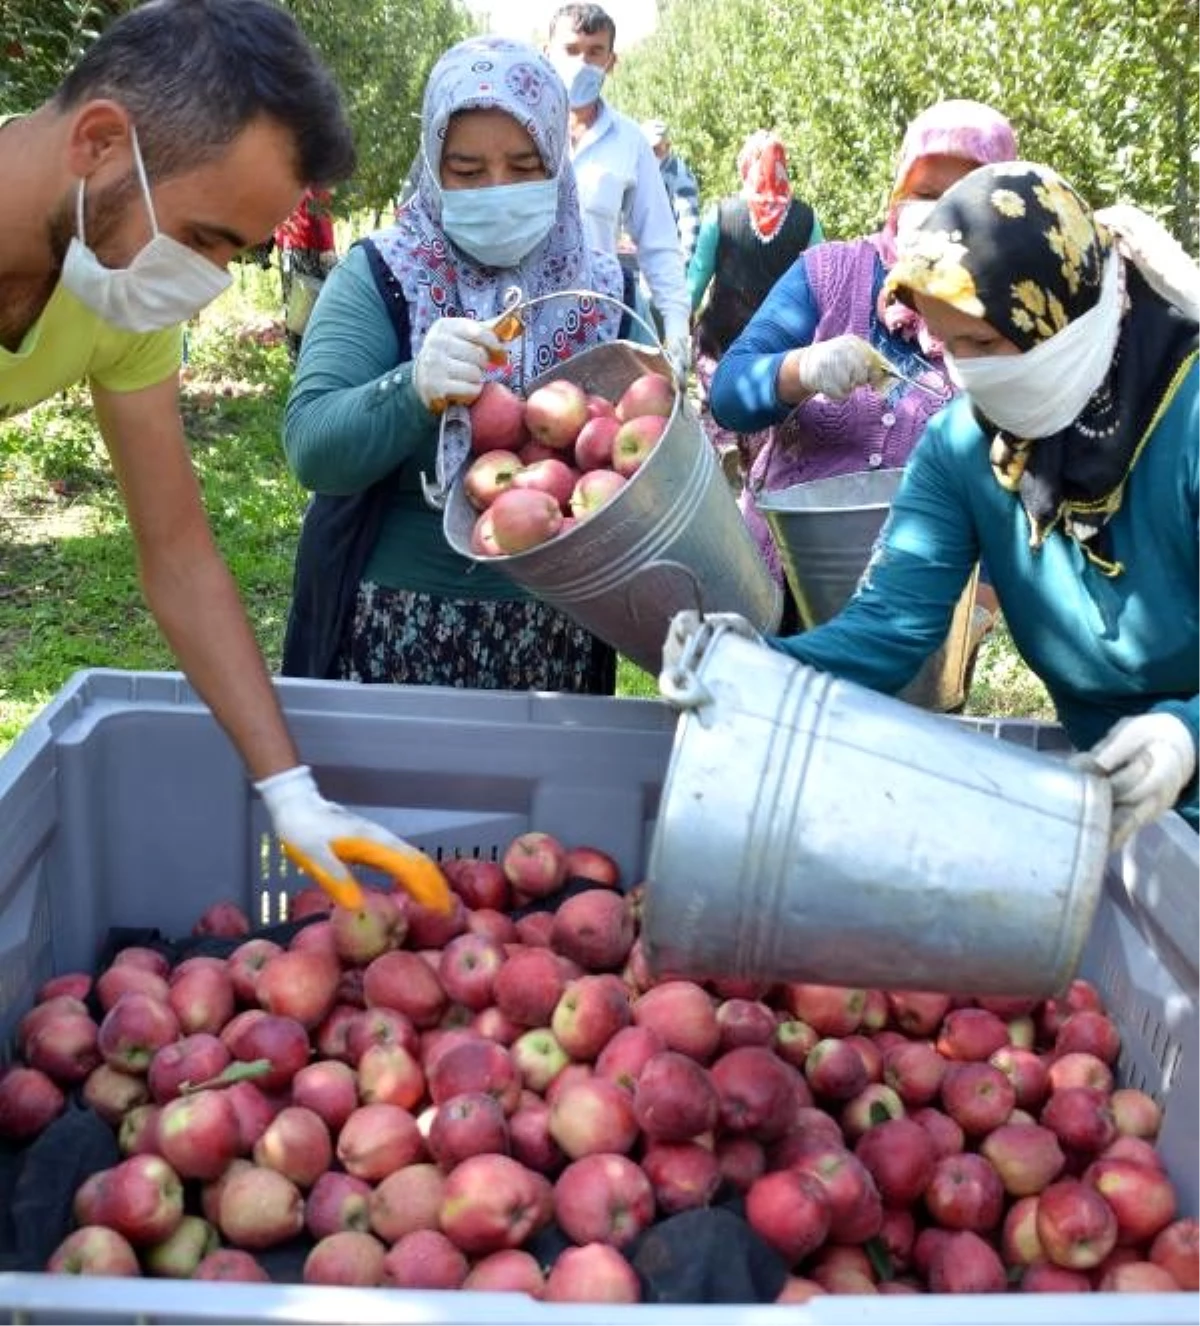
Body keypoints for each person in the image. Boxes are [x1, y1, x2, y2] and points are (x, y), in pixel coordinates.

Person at [0, 0, 449, 913]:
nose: (200, 288)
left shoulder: (108, 284)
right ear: (96, 142)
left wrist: (290, 791)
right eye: (203, 240)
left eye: (231, 257)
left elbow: (177, 550)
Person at [668, 162, 1200, 850]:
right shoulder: (967, 446)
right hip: (1125, 809)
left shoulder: (1187, 422)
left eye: (983, 342)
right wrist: (755, 662)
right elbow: (888, 628)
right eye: (949, 347)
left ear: (1058, 312)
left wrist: (1186, 734)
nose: (968, 373)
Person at [280, 35, 641, 693]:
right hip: (393, 631)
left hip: (553, 643)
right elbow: (312, 446)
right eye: (468, 172)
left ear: (558, 161)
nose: (497, 190)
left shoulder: (602, 292)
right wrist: (410, 388)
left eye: (526, 165)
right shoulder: (385, 275)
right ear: (432, 164)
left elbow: (629, 468)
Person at [709, 100, 1017, 596]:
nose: (941, 212)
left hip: (920, 608)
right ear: (897, 195)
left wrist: (982, 598)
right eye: (924, 193)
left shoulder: (1011, 316)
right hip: (785, 586)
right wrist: (803, 368)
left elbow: (1022, 476)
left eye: (966, 196)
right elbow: (729, 393)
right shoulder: (831, 273)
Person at [544, 4, 690, 374]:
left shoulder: (629, 142)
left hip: (597, 326)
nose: (582, 63)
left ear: (611, 62)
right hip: (522, 317)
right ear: (547, 54)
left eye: (595, 52)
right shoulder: (519, 134)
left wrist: (675, 327)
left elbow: (658, 240)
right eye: (572, 50)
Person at [688, 130, 823, 480]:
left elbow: (698, 277)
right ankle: (760, 468)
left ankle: (724, 442)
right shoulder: (805, 219)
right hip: (777, 337)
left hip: (721, 331)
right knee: (766, 401)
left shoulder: (720, 215)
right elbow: (821, 275)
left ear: (746, 166)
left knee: (719, 391)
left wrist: (682, 316)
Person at [275, 187, 337, 361]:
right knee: (312, 305)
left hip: (290, 244)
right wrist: (326, 246)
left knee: (297, 304)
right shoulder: (317, 172)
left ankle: (297, 356)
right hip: (309, 245)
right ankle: (311, 358)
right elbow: (318, 208)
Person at [641, 118, 701, 266]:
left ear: (668, 146)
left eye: (657, 149)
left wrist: (681, 267)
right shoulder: (649, 171)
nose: (653, 154)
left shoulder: (680, 178)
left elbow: (690, 228)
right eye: (649, 149)